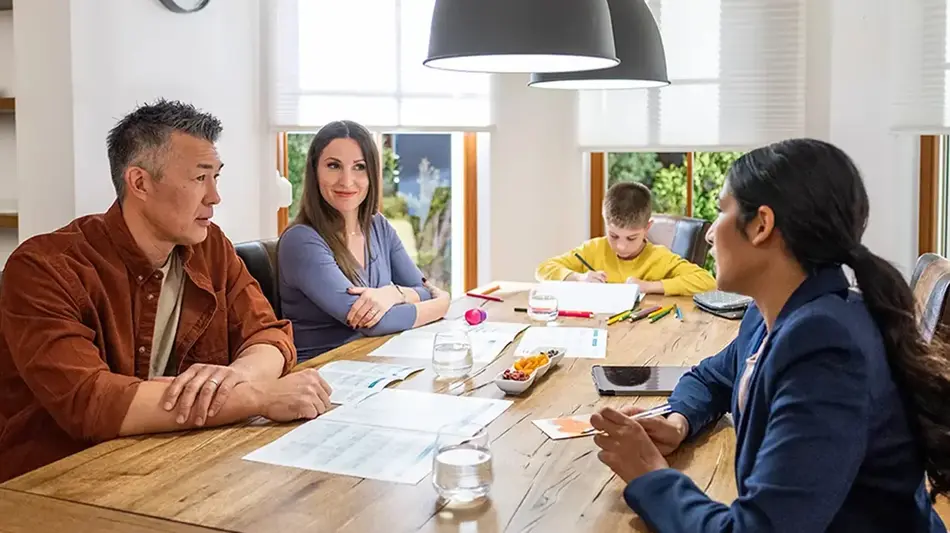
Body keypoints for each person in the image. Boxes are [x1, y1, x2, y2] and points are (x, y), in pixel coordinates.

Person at [589, 138, 949, 532]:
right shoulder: (771, 317)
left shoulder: (825, 345)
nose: (710, 234)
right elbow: (711, 378)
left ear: (762, 225)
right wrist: (678, 423)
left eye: (721, 211)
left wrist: (650, 475)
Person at [0, 100, 334, 482]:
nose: (214, 196)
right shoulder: (44, 267)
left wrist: (238, 377)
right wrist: (255, 397)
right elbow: (90, 400)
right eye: (200, 178)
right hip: (55, 483)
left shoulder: (210, 246)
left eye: (216, 177)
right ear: (140, 182)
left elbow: (268, 335)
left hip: (176, 466)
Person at [278, 120, 451, 361]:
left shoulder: (378, 226)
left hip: (377, 362)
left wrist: (393, 294)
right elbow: (375, 322)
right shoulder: (301, 241)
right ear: (314, 171)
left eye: (359, 167)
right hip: (323, 373)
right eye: (333, 166)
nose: (347, 181)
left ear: (372, 174)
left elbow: (423, 289)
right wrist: (442, 304)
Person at [535, 182, 716, 296]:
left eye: (631, 238)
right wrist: (579, 278)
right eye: (613, 236)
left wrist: (648, 286)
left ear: (647, 228)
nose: (621, 246)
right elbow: (543, 269)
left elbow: (707, 282)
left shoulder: (659, 257)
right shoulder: (593, 249)